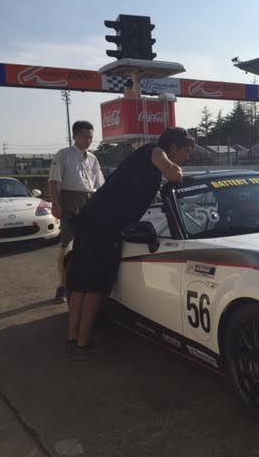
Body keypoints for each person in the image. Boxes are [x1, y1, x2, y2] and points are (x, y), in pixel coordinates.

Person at [65, 127, 194, 359]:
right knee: (95, 286)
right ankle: (83, 345)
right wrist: (178, 171)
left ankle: (72, 338)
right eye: (186, 152)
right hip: (103, 227)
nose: (187, 157)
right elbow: (175, 175)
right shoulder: (154, 152)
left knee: (81, 284)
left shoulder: (144, 162)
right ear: (172, 147)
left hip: (90, 218)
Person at [48, 120, 104, 304]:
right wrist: (55, 204)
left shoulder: (93, 158)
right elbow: (53, 182)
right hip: (69, 201)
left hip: (90, 201)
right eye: (85, 137)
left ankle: (84, 282)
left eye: (91, 137)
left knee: (89, 245)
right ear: (75, 136)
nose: (88, 140)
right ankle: (62, 286)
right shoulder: (63, 155)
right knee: (67, 245)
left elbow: (99, 185)